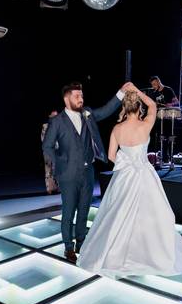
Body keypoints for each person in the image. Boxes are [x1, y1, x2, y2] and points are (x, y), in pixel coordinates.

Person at [77, 89, 182, 278]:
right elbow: (153, 105)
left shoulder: (117, 129)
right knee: (151, 215)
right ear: (139, 108)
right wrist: (137, 90)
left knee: (117, 215)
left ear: (124, 107)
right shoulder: (145, 124)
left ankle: (115, 255)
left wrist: (127, 162)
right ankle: (149, 255)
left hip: (124, 176)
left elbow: (111, 156)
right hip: (145, 174)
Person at [42, 81, 136, 262]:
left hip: (88, 172)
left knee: (84, 210)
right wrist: (60, 163)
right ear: (66, 99)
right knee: (68, 212)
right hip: (68, 175)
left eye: (82, 95)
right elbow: (47, 146)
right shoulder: (57, 121)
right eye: (77, 96)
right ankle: (68, 248)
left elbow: (106, 110)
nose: (81, 99)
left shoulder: (88, 114)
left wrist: (121, 92)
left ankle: (81, 243)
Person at [41, 111, 59, 194]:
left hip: (58, 150)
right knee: (49, 169)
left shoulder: (59, 126)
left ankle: (58, 187)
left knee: (58, 168)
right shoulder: (45, 126)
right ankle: (50, 188)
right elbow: (43, 138)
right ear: (50, 116)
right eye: (54, 115)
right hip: (48, 150)